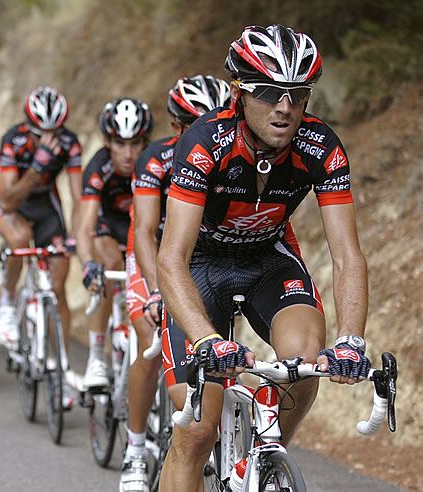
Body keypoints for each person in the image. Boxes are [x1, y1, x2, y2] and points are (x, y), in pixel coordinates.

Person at [157, 25, 370, 492]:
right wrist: (206, 339)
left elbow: (347, 255)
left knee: (306, 361)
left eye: (298, 94)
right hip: (200, 267)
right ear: (241, 92)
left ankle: (264, 459)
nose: (285, 107)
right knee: (195, 432)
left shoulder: (322, 147)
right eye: (271, 92)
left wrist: (352, 338)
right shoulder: (204, 142)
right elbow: (172, 258)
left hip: (266, 261)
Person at [119, 76, 230, 492]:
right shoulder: (155, 160)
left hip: (197, 260)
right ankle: (133, 448)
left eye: (217, 120)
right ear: (175, 128)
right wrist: (154, 290)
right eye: (194, 123)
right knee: (150, 337)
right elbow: (146, 232)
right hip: (154, 258)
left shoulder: (229, 156)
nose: (208, 131)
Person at [0, 86, 83, 356]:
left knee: (58, 288)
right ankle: (7, 303)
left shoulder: (69, 142)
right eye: (41, 133)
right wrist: (36, 168)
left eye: (55, 132)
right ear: (29, 126)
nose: (49, 139)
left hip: (46, 206)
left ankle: (61, 364)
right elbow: (7, 200)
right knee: (19, 240)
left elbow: (80, 199)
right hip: (13, 203)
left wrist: (75, 237)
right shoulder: (13, 140)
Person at [75, 97, 153, 389]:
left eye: (135, 143)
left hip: (142, 228)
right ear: (108, 142)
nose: (129, 153)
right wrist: (86, 265)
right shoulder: (98, 167)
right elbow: (84, 228)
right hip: (108, 228)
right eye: (120, 143)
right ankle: (96, 355)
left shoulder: (155, 162)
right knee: (109, 264)